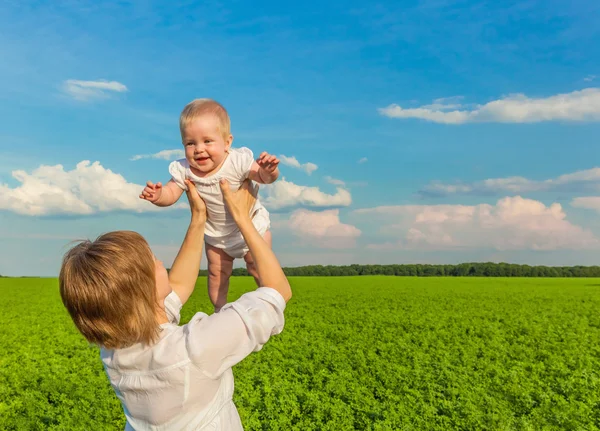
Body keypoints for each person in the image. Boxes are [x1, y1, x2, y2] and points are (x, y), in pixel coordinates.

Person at [59, 178, 292, 430]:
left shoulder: (116, 349)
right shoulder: (195, 348)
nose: (161, 265)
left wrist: (199, 218)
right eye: (154, 261)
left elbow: (179, 285)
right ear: (145, 290)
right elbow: (277, 292)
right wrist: (242, 218)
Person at [139, 98, 280, 312]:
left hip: (252, 227)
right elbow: (172, 193)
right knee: (216, 274)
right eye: (190, 143)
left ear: (227, 142)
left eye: (207, 141)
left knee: (259, 267)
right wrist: (158, 196)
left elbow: (262, 177)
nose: (198, 149)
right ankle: (219, 309)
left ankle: (271, 304)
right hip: (216, 236)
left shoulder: (237, 161)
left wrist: (268, 171)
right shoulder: (184, 169)